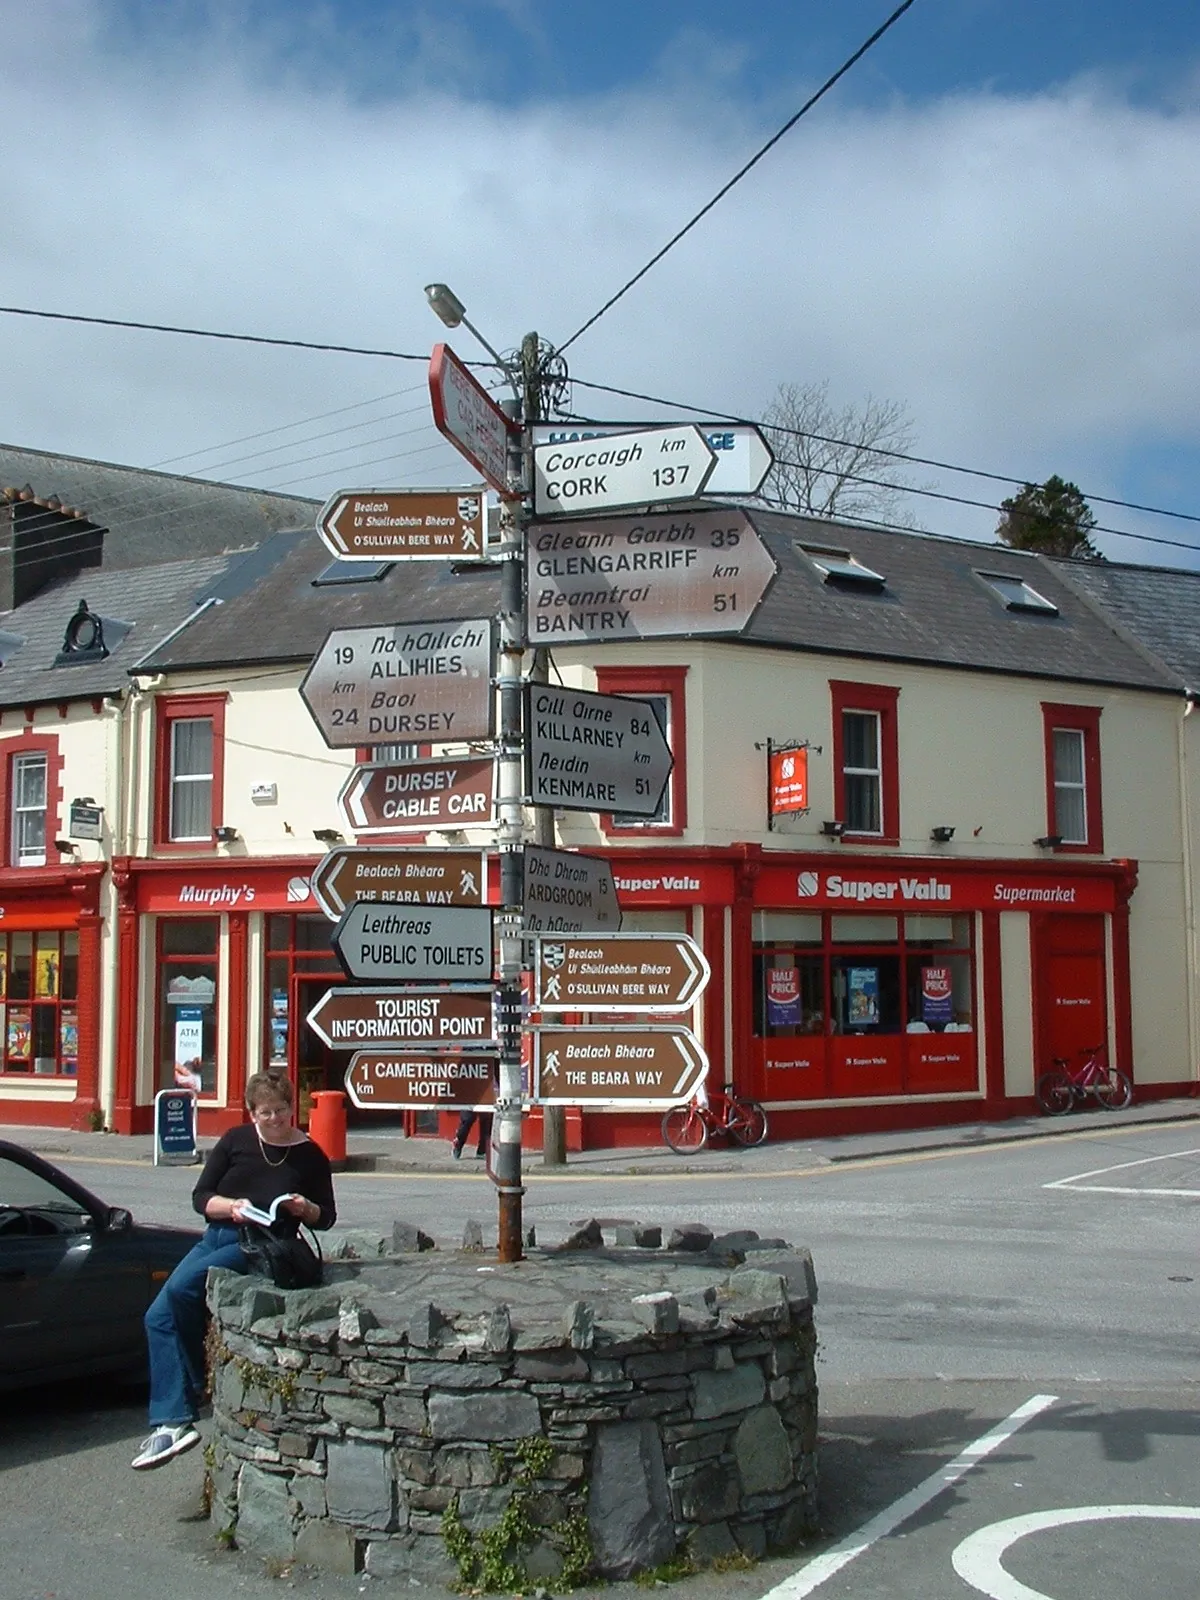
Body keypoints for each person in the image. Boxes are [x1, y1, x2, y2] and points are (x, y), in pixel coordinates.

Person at [131, 1073, 336, 1471]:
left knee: (182, 1291)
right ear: (251, 1112)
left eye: (281, 1111)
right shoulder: (235, 1141)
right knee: (156, 1315)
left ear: (293, 1107)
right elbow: (200, 1197)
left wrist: (304, 1208)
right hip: (219, 1233)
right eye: (265, 1113)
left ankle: (175, 1418)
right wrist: (231, 1206)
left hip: (260, 1245)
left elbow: (326, 1217)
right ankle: (176, 1417)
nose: (275, 1120)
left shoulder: (311, 1154)